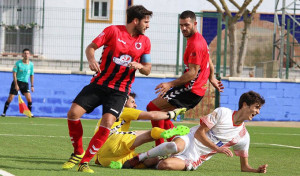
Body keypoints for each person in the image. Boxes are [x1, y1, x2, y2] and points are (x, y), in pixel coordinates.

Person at [62, 5, 153, 173]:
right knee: (73, 113)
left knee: (108, 123)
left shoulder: (145, 42)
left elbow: (147, 69)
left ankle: (85, 162)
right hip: (100, 83)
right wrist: (91, 60)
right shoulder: (112, 31)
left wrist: (140, 65)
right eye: (146, 22)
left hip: (120, 90)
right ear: (135, 21)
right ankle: (78, 152)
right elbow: (91, 47)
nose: (148, 26)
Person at [123, 91, 268, 174]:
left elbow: (244, 167)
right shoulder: (223, 112)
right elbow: (199, 133)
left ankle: (155, 159)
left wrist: (256, 170)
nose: (257, 112)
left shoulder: (243, 136)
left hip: (195, 157)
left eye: (259, 109)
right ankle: (140, 158)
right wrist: (217, 148)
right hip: (191, 139)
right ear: (244, 104)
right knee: (175, 146)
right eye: (256, 107)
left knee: (164, 166)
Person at [147, 10, 224, 146]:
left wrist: (170, 84)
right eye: (181, 25)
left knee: (153, 108)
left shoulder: (195, 44)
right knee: (161, 113)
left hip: (191, 90)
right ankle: (174, 143)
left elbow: (192, 73)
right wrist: (211, 77)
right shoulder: (198, 38)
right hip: (191, 88)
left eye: (187, 25)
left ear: (194, 23)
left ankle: (161, 147)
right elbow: (208, 59)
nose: (183, 28)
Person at [94, 92, 189, 168]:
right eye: (132, 102)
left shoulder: (109, 114)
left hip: (104, 158)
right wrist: (171, 114)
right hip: (112, 140)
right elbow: (152, 115)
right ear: (123, 101)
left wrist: (98, 159)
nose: (135, 105)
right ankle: (164, 132)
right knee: (149, 133)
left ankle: (122, 164)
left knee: (153, 159)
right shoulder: (122, 109)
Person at [1, 48, 34, 117]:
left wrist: (32, 85)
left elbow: (31, 75)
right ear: (23, 55)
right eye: (25, 53)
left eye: (27, 53)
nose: (26, 55)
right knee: (10, 99)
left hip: (25, 84)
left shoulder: (31, 65)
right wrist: (16, 85)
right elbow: (14, 74)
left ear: (29, 55)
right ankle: (4, 113)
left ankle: (29, 114)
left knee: (29, 99)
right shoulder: (18, 63)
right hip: (17, 82)